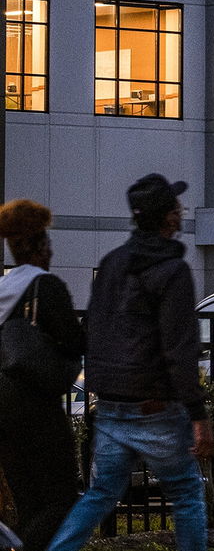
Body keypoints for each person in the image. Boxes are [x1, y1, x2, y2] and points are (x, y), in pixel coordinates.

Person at [46, 175, 213, 551]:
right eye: (177, 207)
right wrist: (199, 416)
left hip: (110, 405)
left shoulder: (111, 264)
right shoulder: (174, 272)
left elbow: (94, 329)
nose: (181, 212)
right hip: (156, 407)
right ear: (168, 218)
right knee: (186, 494)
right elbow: (179, 349)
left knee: (100, 494)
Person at [0, 200, 85, 551]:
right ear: (38, 247)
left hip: (3, 410)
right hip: (37, 408)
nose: (51, 252)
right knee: (62, 500)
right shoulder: (45, 287)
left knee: (30, 501)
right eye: (48, 245)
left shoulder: (3, 289)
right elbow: (76, 341)